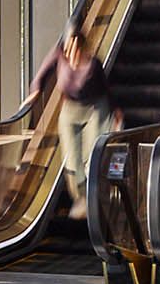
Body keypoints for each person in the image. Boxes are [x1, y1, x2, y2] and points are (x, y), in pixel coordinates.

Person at [30, 27, 117, 220]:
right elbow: (43, 72)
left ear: (82, 47)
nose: (72, 53)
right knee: (72, 160)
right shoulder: (59, 55)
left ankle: (98, 196)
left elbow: (106, 89)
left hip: (95, 108)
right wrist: (36, 90)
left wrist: (115, 112)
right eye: (69, 48)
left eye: (76, 49)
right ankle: (82, 198)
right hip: (70, 109)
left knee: (91, 155)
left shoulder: (93, 64)